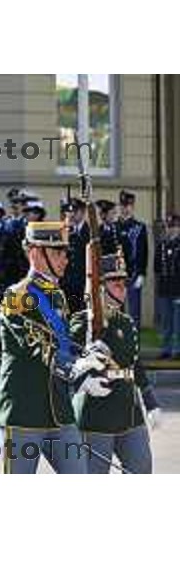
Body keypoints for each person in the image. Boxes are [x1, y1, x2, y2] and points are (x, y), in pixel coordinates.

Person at [0, 221, 114, 474]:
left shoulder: (57, 295)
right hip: (23, 411)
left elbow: (63, 345)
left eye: (65, 253)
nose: (66, 260)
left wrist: (84, 371)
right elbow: (36, 345)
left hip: (59, 410)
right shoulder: (16, 296)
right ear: (36, 253)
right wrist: (76, 366)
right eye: (58, 252)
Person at [71, 252, 159, 473]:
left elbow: (135, 365)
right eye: (116, 284)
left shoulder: (127, 322)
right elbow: (70, 360)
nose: (123, 289)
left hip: (130, 413)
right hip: (97, 416)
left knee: (142, 469)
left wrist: (150, 402)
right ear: (100, 287)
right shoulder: (84, 322)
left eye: (124, 284)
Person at [118, 190, 148, 328]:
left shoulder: (139, 227)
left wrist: (142, 273)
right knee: (118, 311)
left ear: (132, 206)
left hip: (134, 274)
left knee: (134, 311)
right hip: (117, 275)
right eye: (123, 205)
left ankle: (133, 344)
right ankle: (119, 342)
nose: (125, 208)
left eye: (128, 205)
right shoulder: (114, 226)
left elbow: (143, 252)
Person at [154, 214, 180, 359]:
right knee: (166, 322)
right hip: (164, 288)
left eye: (174, 227)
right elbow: (157, 267)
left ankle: (177, 350)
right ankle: (166, 349)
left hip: (177, 289)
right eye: (169, 227)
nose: (171, 230)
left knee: (177, 322)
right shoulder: (162, 245)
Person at [60, 197, 89, 314]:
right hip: (67, 282)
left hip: (82, 282)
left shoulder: (90, 232)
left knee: (81, 315)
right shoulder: (66, 231)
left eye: (75, 212)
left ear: (82, 212)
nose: (71, 215)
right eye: (70, 211)